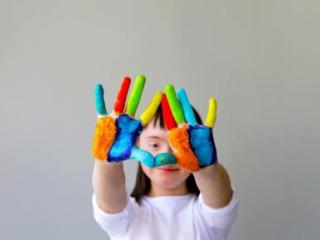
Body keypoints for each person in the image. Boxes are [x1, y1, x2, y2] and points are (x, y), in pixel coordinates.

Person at [91, 76, 238, 240]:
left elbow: (220, 196)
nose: (166, 154)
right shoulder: (125, 218)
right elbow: (109, 201)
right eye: (154, 144)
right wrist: (106, 161)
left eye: (180, 146)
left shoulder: (208, 217)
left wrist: (206, 168)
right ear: (136, 144)